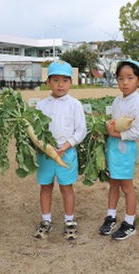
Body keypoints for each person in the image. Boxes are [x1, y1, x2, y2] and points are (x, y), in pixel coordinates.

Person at [34, 60, 86, 240]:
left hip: (67, 153)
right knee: (46, 187)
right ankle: (46, 219)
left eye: (65, 80)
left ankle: (69, 220)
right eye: (55, 80)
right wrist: (43, 146)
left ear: (71, 82)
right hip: (45, 155)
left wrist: (66, 145)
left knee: (66, 187)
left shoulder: (75, 105)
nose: (60, 85)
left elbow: (81, 130)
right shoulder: (41, 105)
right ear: (48, 82)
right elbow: (36, 130)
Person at [98, 59, 139, 240]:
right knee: (113, 184)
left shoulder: (138, 104)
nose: (125, 83)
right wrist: (105, 133)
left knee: (127, 187)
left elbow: (135, 133)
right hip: (113, 148)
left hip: (126, 150)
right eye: (120, 78)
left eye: (130, 78)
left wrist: (114, 134)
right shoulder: (117, 101)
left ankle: (129, 222)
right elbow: (113, 124)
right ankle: (111, 216)